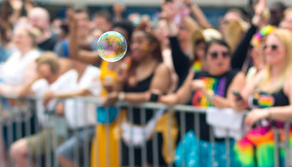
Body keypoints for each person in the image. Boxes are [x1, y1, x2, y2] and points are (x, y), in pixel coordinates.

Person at [160, 39, 245, 167]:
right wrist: (158, 98)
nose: (220, 58)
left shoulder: (236, 76)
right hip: (199, 141)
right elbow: (179, 98)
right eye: (214, 55)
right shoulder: (197, 75)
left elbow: (230, 104)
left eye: (225, 54)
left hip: (225, 144)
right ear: (205, 58)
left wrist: (206, 92)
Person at [67, 9, 134, 167]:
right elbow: (75, 54)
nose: (115, 40)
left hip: (121, 118)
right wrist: (74, 28)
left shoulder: (131, 63)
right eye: (113, 35)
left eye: (121, 37)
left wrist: (116, 85)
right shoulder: (103, 56)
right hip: (104, 117)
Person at [103, 25, 174, 166]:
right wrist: (120, 81)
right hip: (130, 130)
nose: (134, 46)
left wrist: (121, 97)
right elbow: (116, 93)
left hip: (154, 131)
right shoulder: (130, 68)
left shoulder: (161, 68)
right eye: (133, 42)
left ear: (153, 45)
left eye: (140, 42)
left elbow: (152, 97)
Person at [233, 28, 292, 167]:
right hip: (255, 141)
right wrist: (237, 102)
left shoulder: (290, 79)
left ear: (288, 50)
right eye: (265, 46)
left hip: (281, 145)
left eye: (274, 47)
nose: (269, 51)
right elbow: (241, 98)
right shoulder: (261, 76)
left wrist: (267, 112)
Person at [42, 53, 102, 167]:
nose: (71, 61)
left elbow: (83, 92)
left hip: (90, 128)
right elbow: (51, 90)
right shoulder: (71, 74)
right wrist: (56, 98)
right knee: (82, 161)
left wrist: (56, 95)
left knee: (62, 154)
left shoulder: (94, 72)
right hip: (73, 129)